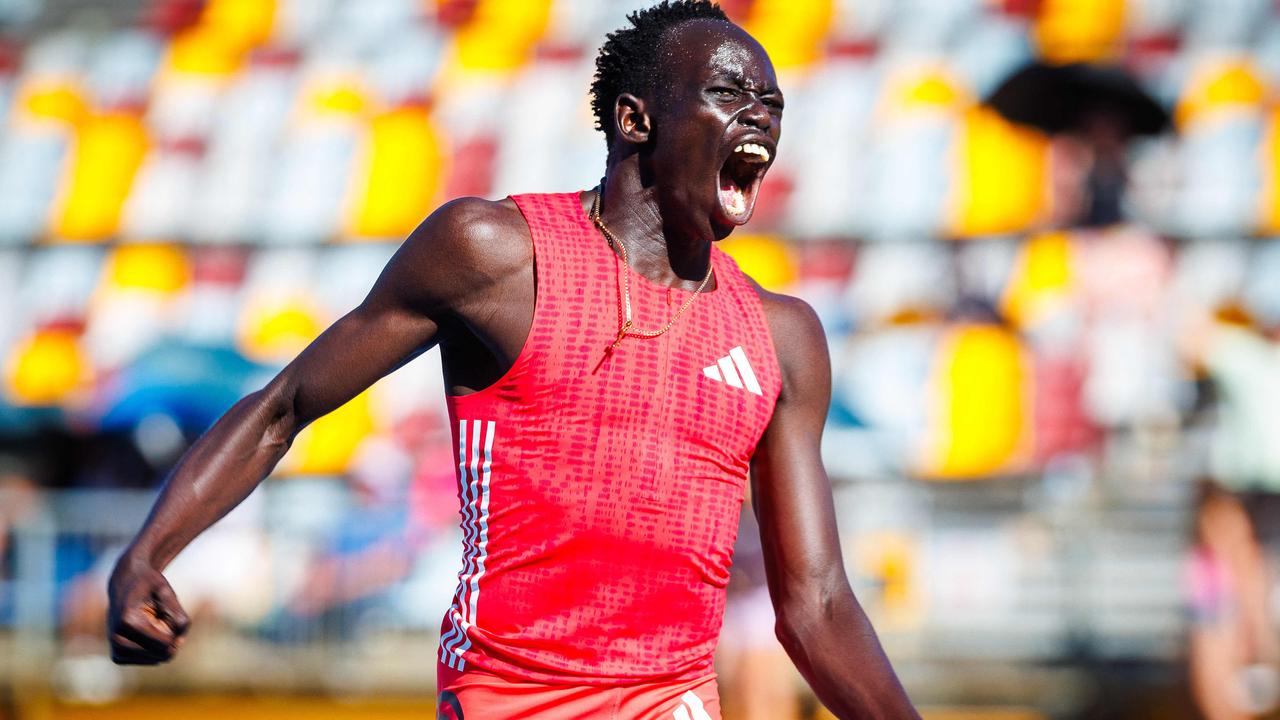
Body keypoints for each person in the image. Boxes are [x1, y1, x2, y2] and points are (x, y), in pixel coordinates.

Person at [106, 2, 919, 717]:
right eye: (730, 95)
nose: (762, 120)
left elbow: (815, 604)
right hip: (507, 697)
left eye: (773, 105)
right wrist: (148, 554)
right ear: (636, 121)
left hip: (670, 701)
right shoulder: (492, 256)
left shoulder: (784, 338)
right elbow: (285, 407)